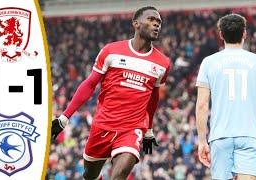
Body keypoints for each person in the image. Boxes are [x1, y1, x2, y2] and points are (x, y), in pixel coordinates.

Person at [51, 6, 170, 180]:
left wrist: (149, 129)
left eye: (158, 22)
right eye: (151, 20)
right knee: (89, 175)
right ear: (136, 23)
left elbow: (153, 98)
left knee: (119, 175)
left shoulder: (162, 63)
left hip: (131, 130)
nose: (156, 24)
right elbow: (90, 84)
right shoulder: (111, 51)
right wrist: (65, 117)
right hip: (102, 126)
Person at [195, 13, 256, 179]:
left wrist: (202, 141)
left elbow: (202, 105)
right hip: (248, 135)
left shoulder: (209, 62)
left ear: (221, 35)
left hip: (220, 136)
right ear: (244, 33)